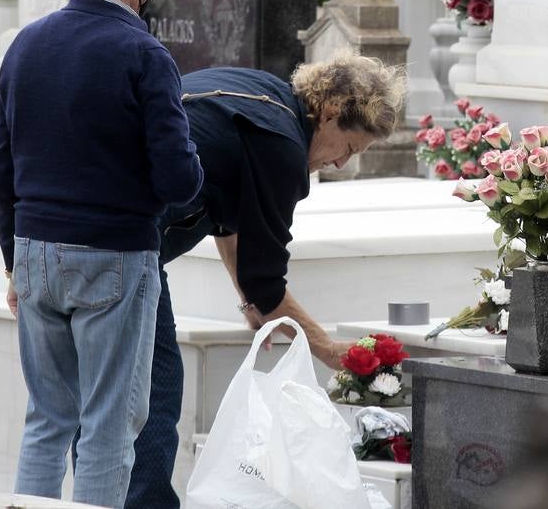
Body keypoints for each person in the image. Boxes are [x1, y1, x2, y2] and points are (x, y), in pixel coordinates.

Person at [0, 0, 204, 509]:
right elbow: (179, 179)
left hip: (33, 251)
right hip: (112, 255)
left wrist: (13, 262)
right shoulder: (144, 53)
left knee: (47, 421)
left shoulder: (25, 45)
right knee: (107, 428)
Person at [124, 55, 408, 509]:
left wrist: (248, 300)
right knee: (155, 390)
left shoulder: (262, 94)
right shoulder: (282, 145)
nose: (339, 164)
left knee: (104, 401)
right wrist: (329, 349)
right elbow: (267, 280)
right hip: (127, 249)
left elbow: (230, 219)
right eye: (349, 148)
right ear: (331, 113)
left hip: (88, 231)